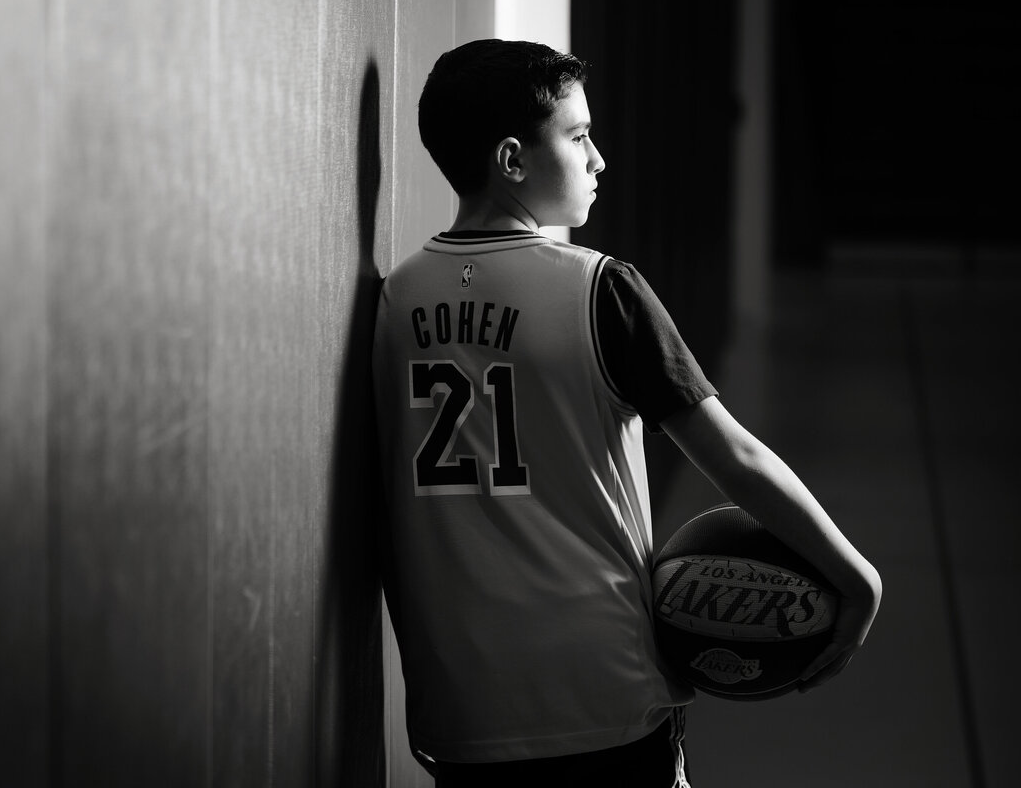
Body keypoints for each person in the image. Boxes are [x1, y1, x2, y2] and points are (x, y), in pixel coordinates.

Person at [371, 39, 881, 787]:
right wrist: (856, 577)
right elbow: (734, 458)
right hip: (603, 692)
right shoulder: (599, 289)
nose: (598, 159)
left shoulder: (395, 299)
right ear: (512, 161)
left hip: (459, 708)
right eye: (577, 137)